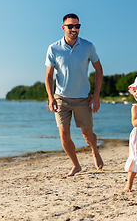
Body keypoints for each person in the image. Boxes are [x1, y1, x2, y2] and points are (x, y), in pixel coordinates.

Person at [45, 13, 103, 177]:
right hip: (61, 98)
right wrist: (50, 98)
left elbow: (99, 70)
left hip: (82, 98)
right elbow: (49, 76)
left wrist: (96, 96)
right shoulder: (53, 48)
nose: (74, 29)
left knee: (87, 135)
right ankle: (76, 165)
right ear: (63, 28)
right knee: (64, 134)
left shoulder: (88, 46)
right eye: (70, 26)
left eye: (77, 26)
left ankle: (94, 150)